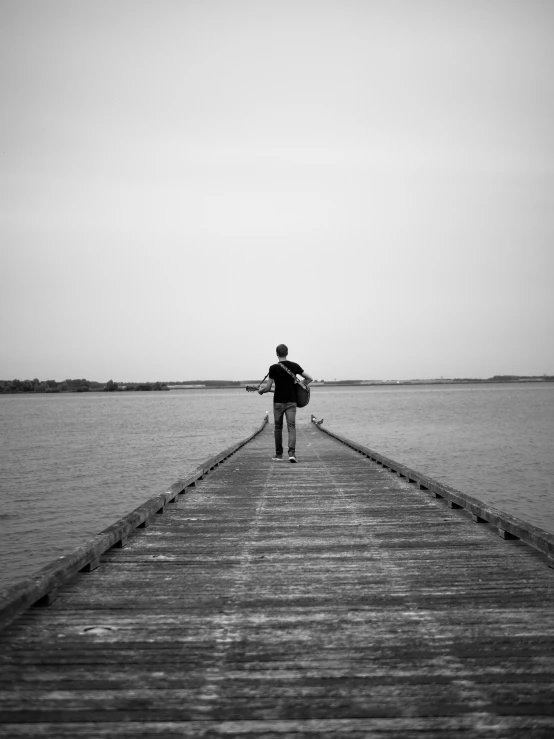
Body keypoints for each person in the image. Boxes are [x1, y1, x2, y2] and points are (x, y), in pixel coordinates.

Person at [258, 344, 313, 463]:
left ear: (277, 354)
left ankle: (278, 455)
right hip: (291, 401)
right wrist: (298, 386)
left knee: (278, 428)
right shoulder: (294, 366)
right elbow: (309, 378)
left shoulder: (273, 368)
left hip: (278, 401)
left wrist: (261, 391)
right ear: (287, 353)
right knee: (291, 427)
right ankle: (292, 454)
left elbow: (268, 388)